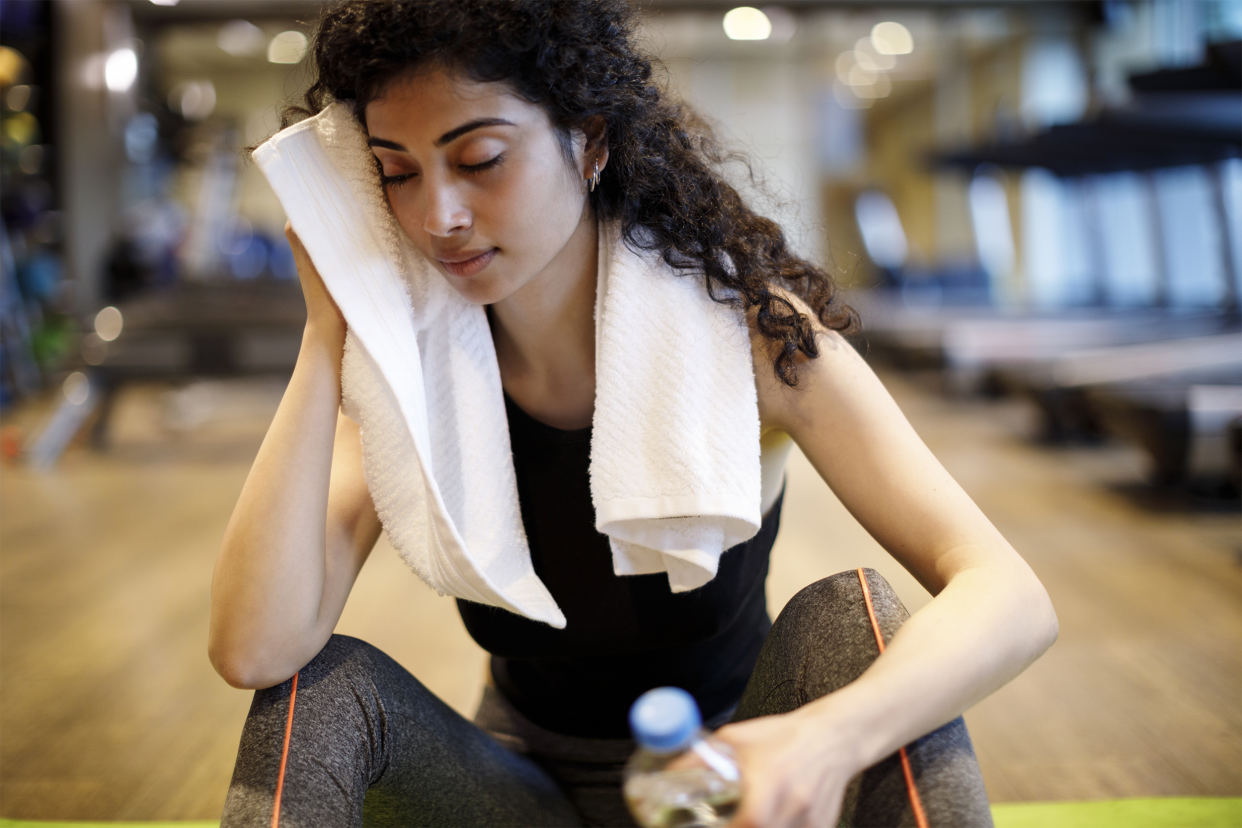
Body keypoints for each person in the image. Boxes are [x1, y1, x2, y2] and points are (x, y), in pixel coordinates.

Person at [209, 1, 1058, 826]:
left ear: (589, 143)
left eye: (480, 160)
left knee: (852, 617)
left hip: (735, 779)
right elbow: (257, 649)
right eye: (398, 172)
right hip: (520, 789)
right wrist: (329, 333)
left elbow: (1010, 594)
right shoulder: (404, 371)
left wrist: (823, 742)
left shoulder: (753, 336)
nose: (439, 216)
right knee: (320, 691)